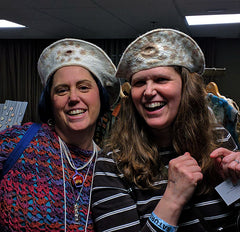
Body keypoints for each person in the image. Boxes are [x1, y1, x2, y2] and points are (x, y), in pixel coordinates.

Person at [91, 29, 240, 232]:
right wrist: (173, 199)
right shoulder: (111, 164)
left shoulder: (218, 138)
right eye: (139, 83)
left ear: (185, 89)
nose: (149, 91)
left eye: (161, 80)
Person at [0, 38, 120, 231]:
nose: (73, 98)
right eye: (62, 90)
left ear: (101, 95)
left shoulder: (110, 168)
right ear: (50, 101)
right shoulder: (16, 143)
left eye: (83, 87)